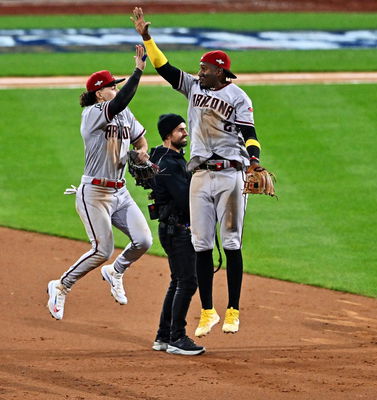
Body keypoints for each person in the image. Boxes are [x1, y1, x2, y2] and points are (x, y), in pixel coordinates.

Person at [132, 7, 266, 336]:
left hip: (230, 175)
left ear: (220, 72)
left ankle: (233, 309)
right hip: (201, 176)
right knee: (202, 244)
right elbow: (165, 68)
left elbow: (250, 134)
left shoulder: (238, 96)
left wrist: (254, 161)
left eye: (205, 68)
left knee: (232, 243)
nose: (200, 72)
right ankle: (208, 311)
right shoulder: (192, 87)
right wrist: (147, 39)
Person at [47, 45, 153, 320]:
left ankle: (115, 271)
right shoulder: (94, 113)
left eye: (116, 86)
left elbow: (141, 137)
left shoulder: (124, 114)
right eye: (111, 87)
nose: (116, 90)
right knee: (102, 249)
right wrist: (138, 71)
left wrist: (142, 151)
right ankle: (60, 286)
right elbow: (120, 102)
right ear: (99, 93)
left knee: (143, 241)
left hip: (121, 193)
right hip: (94, 193)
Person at [148, 114, 205, 356]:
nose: (185, 133)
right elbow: (185, 199)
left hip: (171, 228)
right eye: (180, 130)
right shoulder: (169, 164)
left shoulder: (162, 157)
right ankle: (177, 337)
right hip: (177, 229)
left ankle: (164, 335)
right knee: (188, 281)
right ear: (168, 135)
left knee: (178, 281)